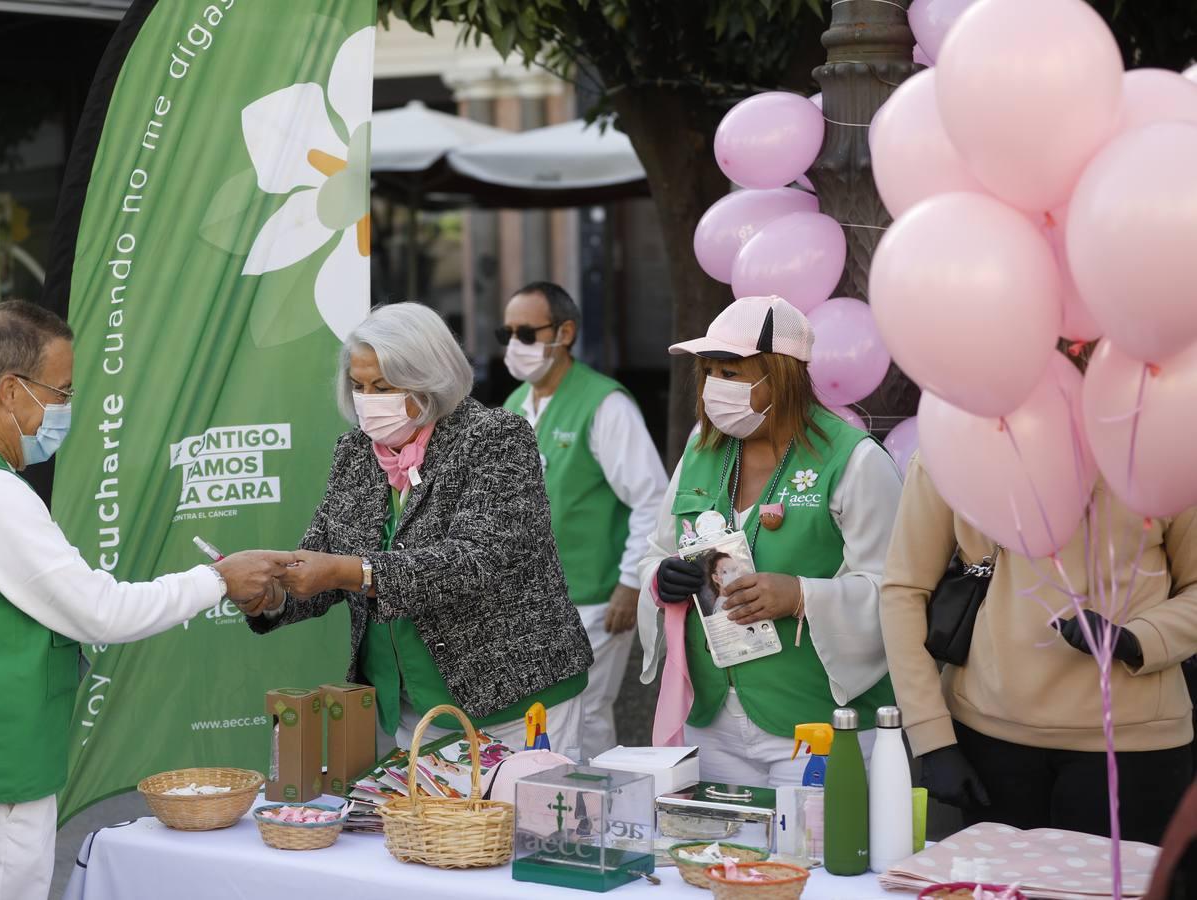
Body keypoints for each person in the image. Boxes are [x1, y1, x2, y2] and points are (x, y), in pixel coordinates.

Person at [0, 301, 294, 900]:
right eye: (63, 391)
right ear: (12, 392)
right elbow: (101, 611)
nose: (67, 408)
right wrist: (219, 580)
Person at [244, 302, 594, 754]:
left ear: (430, 378)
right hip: (412, 707)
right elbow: (324, 553)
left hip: (513, 702)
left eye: (384, 386)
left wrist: (351, 571)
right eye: (358, 386)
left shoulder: (496, 437)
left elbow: (475, 559)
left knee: (515, 826)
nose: (367, 400)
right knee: (429, 827)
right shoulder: (355, 452)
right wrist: (274, 595)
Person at [636, 295, 903, 787]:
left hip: (814, 724)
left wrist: (802, 594)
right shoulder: (700, 450)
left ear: (780, 374)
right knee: (719, 859)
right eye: (710, 370)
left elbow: (896, 590)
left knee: (818, 860)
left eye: (732, 372)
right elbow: (656, 551)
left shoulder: (856, 460)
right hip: (711, 719)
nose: (716, 386)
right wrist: (661, 579)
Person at [880, 443, 1197, 844]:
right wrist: (931, 737)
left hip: (1135, 745)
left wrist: (1139, 638)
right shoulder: (953, 447)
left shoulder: (1166, 448)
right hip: (989, 741)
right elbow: (904, 590)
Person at [499, 281, 668, 760]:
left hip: (593, 598)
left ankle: (593, 813)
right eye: (507, 333)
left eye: (527, 333)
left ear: (565, 332)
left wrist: (630, 582)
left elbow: (652, 499)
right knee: (546, 720)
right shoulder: (514, 407)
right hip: (530, 602)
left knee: (585, 713)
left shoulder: (606, 406)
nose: (515, 345)